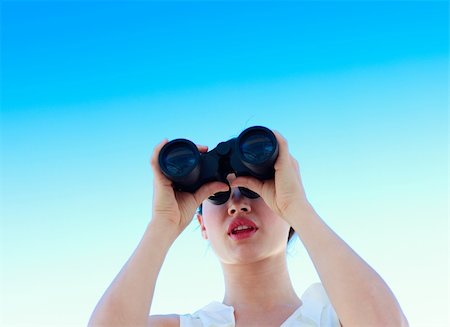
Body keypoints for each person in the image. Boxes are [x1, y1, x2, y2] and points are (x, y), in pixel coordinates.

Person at [88, 130, 408, 327]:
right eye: (217, 196)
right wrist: (162, 224)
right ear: (201, 224)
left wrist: (299, 207)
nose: (237, 205)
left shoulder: (334, 317)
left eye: (254, 192)